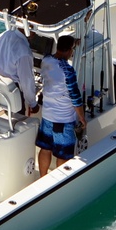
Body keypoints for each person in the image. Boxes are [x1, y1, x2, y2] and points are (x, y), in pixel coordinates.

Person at [36, 35, 86, 177]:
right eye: (72, 50)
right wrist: (82, 119)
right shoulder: (68, 71)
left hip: (47, 116)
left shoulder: (46, 61)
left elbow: (57, 59)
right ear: (69, 50)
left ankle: (42, 177)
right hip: (63, 120)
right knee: (63, 155)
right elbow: (76, 99)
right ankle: (58, 182)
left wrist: (73, 43)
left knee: (45, 149)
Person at [0, 27, 39, 116]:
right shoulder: (24, 52)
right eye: (34, 29)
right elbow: (26, 81)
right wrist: (33, 103)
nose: (35, 33)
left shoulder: (6, 35)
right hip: (12, 92)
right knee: (19, 119)